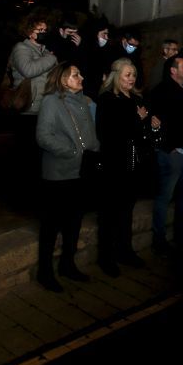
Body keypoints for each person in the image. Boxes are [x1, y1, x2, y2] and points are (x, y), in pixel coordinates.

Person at [35, 63, 100, 292]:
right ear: (63, 80)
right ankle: (45, 272)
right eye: (75, 75)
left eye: (80, 73)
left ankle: (67, 265)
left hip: (81, 173)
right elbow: (43, 137)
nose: (81, 77)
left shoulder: (83, 101)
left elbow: (89, 133)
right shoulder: (52, 102)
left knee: (74, 224)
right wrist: (72, 151)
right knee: (51, 227)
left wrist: (94, 148)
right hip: (59, 175)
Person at [94, 58, 150, 277]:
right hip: (113, 165)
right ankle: (105, 257)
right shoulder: (107, 100)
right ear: (116, 75)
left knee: (127, 212)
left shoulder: (136, 99)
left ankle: (125, 251)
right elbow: (110, 134)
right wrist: (138, 121)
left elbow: (139, 131)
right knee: (109, 214)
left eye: (134, 75)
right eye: (127, 74)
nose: (131, 78)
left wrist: (148, 123)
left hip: (133, 163)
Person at [148, 54, 183, 256]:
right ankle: (159, 240)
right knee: (164, 197)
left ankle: (180, 236)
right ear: (173, 70)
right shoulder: (162, 90)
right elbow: (153, 119)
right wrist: (169, 147)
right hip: (173, 153)